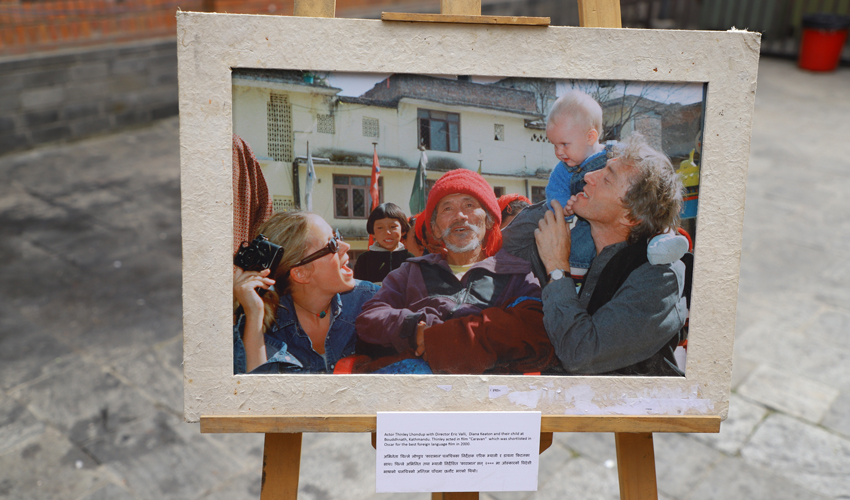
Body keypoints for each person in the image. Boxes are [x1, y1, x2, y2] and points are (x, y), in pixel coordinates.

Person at [502, 133, 688, 376]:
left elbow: (581, 355)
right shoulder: (577, 246)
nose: (588, 176)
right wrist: (557, 204)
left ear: (630, 216)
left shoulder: (658, 277)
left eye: (607, 179)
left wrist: (557, 270)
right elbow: (506, 246)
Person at [354, 169, 557, 375]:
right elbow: (369, 318)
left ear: (488, 220)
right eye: (447, 208)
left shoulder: (517, 274)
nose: (460, 216)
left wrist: (442, 337)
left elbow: (534, 329)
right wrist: (413, 327)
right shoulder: (410, 272)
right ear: (435, 228)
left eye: (469, 205)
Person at [233, 211, 379, 374]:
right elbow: (256, 389)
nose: (346, 246)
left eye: (337, 236)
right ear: (301, 273)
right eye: (332, 244)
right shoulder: (262, 326)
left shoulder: (370, 300)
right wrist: (254, 315)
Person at [354, 203, 414, 283]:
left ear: (403, 230)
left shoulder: (410, 259)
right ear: (373, 233)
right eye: (380, 228)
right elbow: (359, 287)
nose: (387, 232)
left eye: (393, 227)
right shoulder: (364, 260)